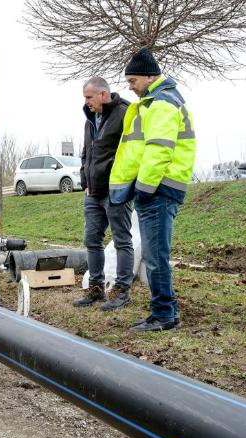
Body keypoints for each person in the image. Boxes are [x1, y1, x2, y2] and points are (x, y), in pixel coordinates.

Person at [109, 48, 197, 332]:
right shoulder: (159, 101)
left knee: (155, 257)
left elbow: (159, 150)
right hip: (159, 188)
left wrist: (144, 189)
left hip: (158, 190)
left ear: (149, 77)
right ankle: (163, 311)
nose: (130, 87)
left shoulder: (161, 103)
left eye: (133, 80)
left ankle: (164, 315)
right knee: (154, 255)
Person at [73, 76, 134, 311]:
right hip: (93, 192)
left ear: (103, 94)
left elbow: (133, 151)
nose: (86, 102)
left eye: (89, 97)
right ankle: (96, 288)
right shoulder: (90, 120)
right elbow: (86, 153)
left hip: (116, 190)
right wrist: (84, 181)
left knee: (122, 240)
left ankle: (122, 291)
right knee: (91, 240)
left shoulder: (124, 113)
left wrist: (125, 182)